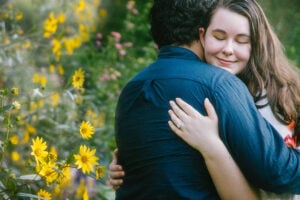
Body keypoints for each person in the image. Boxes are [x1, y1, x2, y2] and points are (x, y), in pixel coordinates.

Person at [114, 0, 300, 199]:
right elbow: (278, 171)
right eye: (219, 36)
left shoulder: (130, 90)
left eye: (241, 40)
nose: (228, 49)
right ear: (202, 34)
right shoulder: (219, 85)